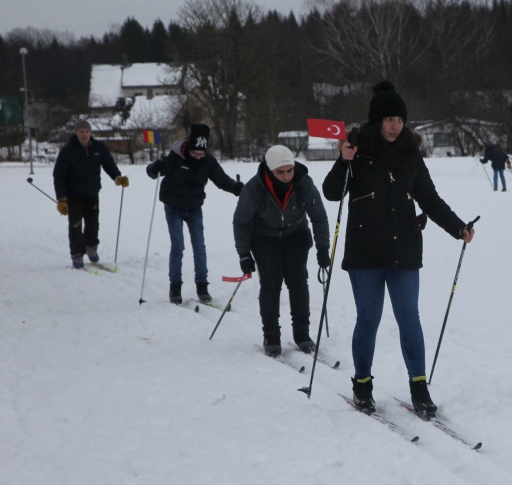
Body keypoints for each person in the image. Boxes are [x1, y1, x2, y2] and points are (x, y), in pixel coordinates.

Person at [323, 81, 475, 417]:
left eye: (399, 119)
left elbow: (430, 199)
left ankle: (419, 388)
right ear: (377, 121)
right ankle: (362, 385)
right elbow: (332, 193)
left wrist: (457, 227)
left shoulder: (411, 156)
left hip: (404, 250)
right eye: (389, 118)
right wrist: (342, 160)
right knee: (368, 318)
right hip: (365, 252)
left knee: (409, 318)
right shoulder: (358, 151)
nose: (395, 125)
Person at [233, 145, 331, 357]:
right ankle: (271, 335)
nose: (286, 176)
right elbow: (241, 222)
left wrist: (323, 247)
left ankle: (302, 334)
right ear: (269, 170)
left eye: (290, 170)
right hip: (264, 237)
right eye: (280, 172)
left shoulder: (304, 184)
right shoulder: (254, 189)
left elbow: (319, 216)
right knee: (271, 283)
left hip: (295, 234)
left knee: (297, 282)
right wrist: (244, 254)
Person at [146, 124, 243, 304]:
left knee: (199, 247)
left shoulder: (208, 162)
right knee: (178, 247)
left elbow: (221, 180)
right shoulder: (175, 158)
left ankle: (202, 288)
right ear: (189, 148)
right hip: (173, 206)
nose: (198, 158)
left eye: (201, 154)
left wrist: (237, 189)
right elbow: (152, 172)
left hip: (194, 207)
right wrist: (155, 168)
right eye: (195, 154)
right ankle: (175, 289)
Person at [52, 119, 129, 268]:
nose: (85, 134)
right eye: (81, 131)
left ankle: (91, 247)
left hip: (92, 193)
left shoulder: (99, 147)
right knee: (75, 225)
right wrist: (61, 199)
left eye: (87, 131)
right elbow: (59, 176)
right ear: (76, 133)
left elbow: (109, 164)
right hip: (73, 195)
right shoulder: (68, 150)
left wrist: (118, 177)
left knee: (93, 224)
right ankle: (77, 254)